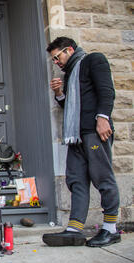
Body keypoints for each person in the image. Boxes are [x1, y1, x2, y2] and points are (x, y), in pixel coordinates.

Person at [42, 37, 121, 248]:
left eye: (57, 57)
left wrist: (103, 118)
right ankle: (74, 229)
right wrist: (59, 93)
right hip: (75, 136)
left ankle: (111, 229)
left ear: (69, 49)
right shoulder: (70, 75)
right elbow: (70, 107)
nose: (56, 63)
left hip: (95, 132)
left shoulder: (94, 60)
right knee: (76, 179)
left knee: (103, 178)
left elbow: (106, 91)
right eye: (54, 60)